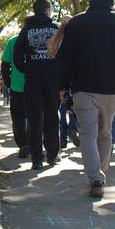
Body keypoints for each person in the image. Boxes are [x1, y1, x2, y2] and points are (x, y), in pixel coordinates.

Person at [57, 0, 115, 197]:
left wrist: (62, 85)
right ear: (111, 3)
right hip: (112, 89)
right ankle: (100, 173)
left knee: (87, 134)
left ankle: (95, 177)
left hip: (83, 87)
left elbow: (64, 57)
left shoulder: (77, 23)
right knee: (105, 133)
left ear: (91, 3)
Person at [14, 0, 60, 170]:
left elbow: (17, 54)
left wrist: (26, 69)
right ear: (48, 10)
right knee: (51, 116)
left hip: (33, 80)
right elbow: (65, 52)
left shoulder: (26, 30)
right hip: (52, 79)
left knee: (34, 118)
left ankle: (37, 158)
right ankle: (53, 153)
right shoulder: (56, 28)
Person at [48, 15, 79, 149]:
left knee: (60, 112)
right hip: (73, 82)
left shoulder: (55, 40)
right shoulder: (76, 39)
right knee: (74, 110)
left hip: (57, 82)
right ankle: (72, 129)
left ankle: (62, 140)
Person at [1, 33, 29, 157]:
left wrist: (8, 83)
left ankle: (22, 144)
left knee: (18, 118)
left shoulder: (13, 40)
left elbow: (5, 64)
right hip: (36, 85)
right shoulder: (40, 36)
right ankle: (32, 144)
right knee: (36, 116)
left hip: (17, 86)